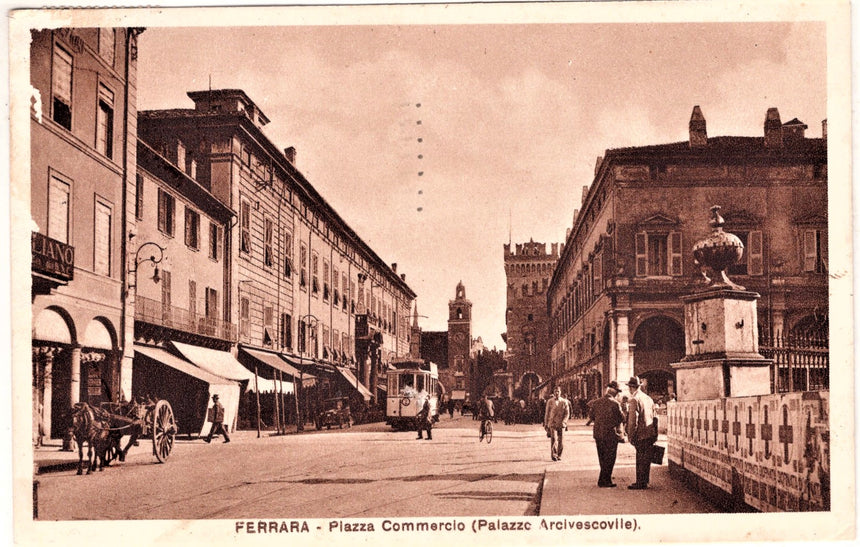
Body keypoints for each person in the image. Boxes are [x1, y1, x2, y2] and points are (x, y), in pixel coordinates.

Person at [589, 381, 625, 487]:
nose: (618, 394)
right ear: (614, 392)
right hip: (611, 435)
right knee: (610, 458)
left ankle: (604, 479)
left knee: (602, 458)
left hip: (598, 434)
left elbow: (591, 417)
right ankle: (605, 481)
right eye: (617, 392)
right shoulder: (615, 403)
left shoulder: (596, 402)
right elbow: (622, 418)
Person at [626, 376, 657, 489]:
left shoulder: (634, 400)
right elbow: (654, 417)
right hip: (649, 433)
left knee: (640, 458)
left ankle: (640, 482)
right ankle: (645, 480)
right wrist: (655, 433)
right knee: (646, 458)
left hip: (640, 434)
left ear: (631, 388)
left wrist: (630, 435)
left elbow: (632, 420)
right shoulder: (648, 398)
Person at [543, 386, 571, 461]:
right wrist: (546, 424)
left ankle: (559, 455)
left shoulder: (564, 401)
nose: (557, 393)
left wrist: (564, 422)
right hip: (553, 423)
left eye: (558, 391)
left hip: (561, 424)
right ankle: (554, 455)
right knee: (554, 439)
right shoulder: (550, 401)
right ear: (553, 392)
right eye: (555, 391)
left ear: (560, 392)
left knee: (561, 440)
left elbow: (567, 413)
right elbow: (547, 413)